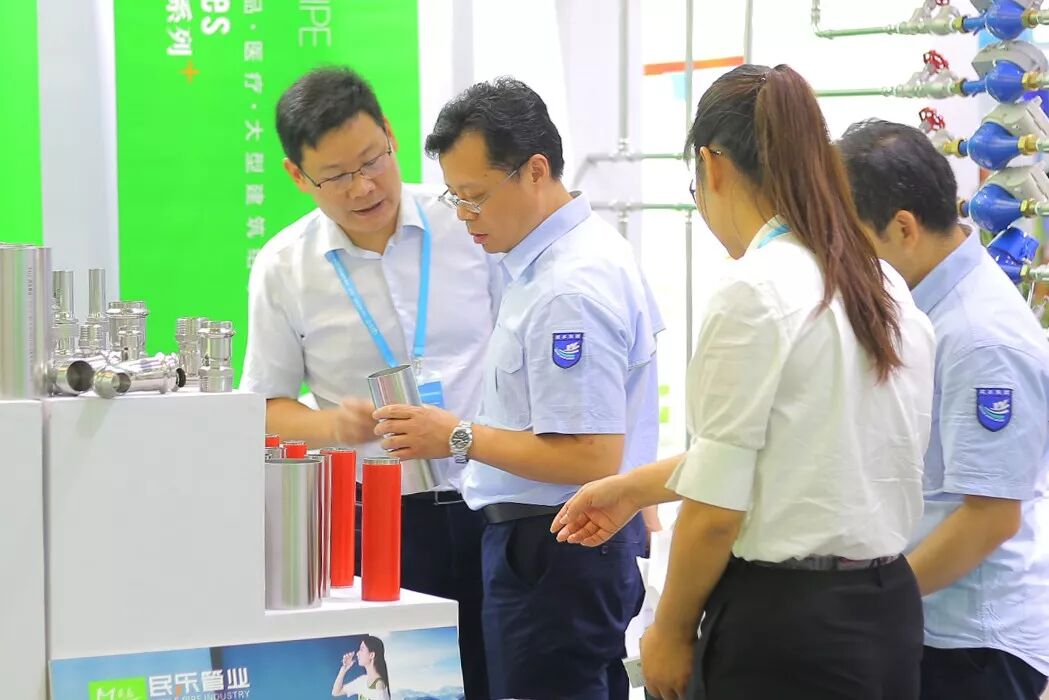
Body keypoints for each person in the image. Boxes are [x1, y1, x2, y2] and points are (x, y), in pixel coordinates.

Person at [551, 64, 937, 700]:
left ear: (713, 165)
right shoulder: (880, 281)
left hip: (786, 627)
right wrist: (632, 488)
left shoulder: (755, 290)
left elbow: (716, 511)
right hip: (885, 612)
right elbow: (794, 454)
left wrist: (670, 630)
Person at [372, 77, 664, 700]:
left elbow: (590, 455)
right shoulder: (551, 263)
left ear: (535, 170)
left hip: (557, 547)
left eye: (476, 196)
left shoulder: (568, 287)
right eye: (455, 197)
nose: (464, 215)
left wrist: (455, 436)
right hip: (556, 544)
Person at [240, 67, 497, 699]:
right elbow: (262, 407)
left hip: (494, 499)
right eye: (335, 176)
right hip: (376, 522)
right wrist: (331, 424)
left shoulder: (469, 224)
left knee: (502, 676)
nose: (363, 187)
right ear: (297, 176)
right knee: (409, 683)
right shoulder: (284, 268)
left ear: (391, 136)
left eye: (372, 160)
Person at [837, 119, 1049, 700]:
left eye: (849, 239)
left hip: (971, 646)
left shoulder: (980, 338)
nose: (841, 260)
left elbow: (990, 517)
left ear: (903, 228)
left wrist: (869, 605)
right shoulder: (924, 307)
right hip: (927, 624)